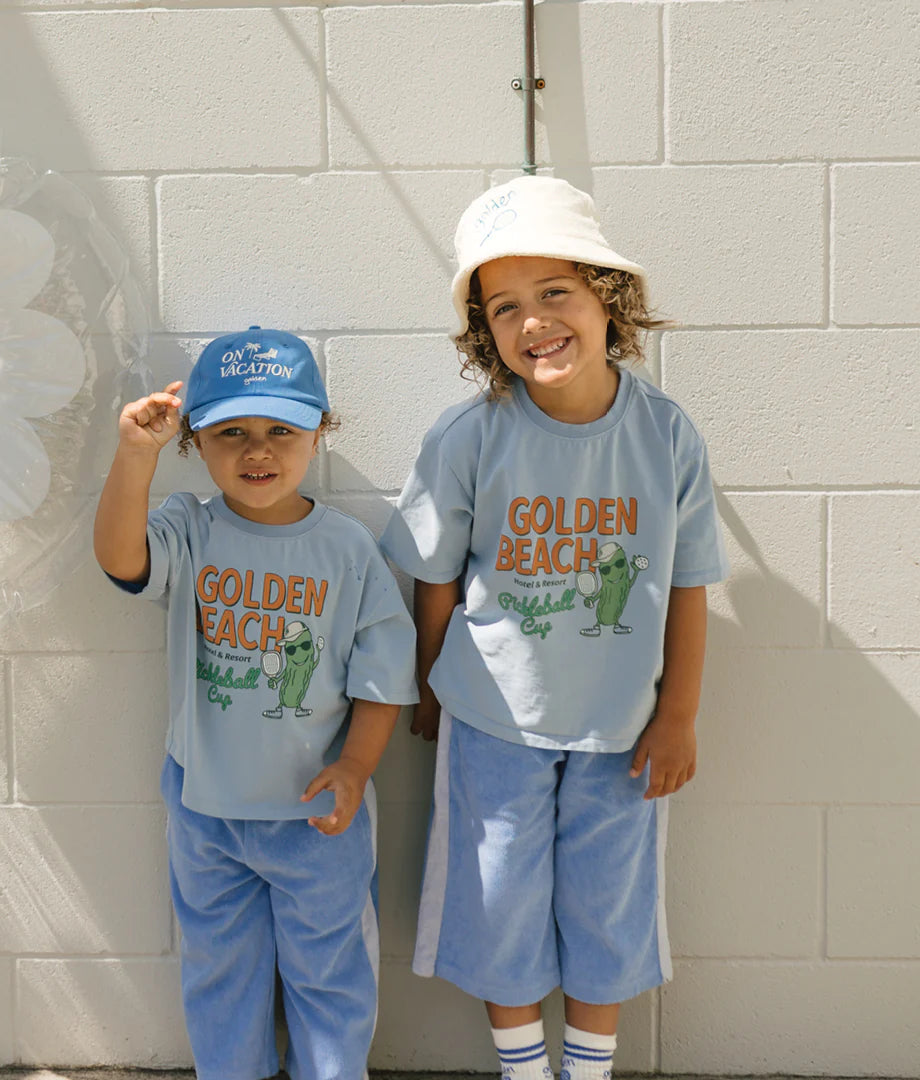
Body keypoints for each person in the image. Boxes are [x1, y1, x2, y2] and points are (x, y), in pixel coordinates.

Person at [380, 176, 729, 1080]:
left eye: (555, 294)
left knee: (606, 906)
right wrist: (427, 686)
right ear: (484, 334)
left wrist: (679, 712)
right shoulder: (471, 436)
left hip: (622, 726)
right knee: (499, 901)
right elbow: (435, 577)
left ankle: (589, 1069)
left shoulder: (665, 436)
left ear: (608, 302)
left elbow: (689, 583)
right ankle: (524, 1069)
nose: (532, 321)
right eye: (504, 307)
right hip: (494, 720)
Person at [94, 328, 418, 1080]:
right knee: (220, 977)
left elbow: (382, 674)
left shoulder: (346, 548)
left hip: (316, 816)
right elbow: (121, 559)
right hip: (206, 809)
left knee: (330, 981)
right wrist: (135, 455)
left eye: (281, 430)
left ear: (318, 433)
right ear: (196, 443)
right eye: (230, 432)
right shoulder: (189, 526)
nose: (256, 451)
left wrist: (357, 768)